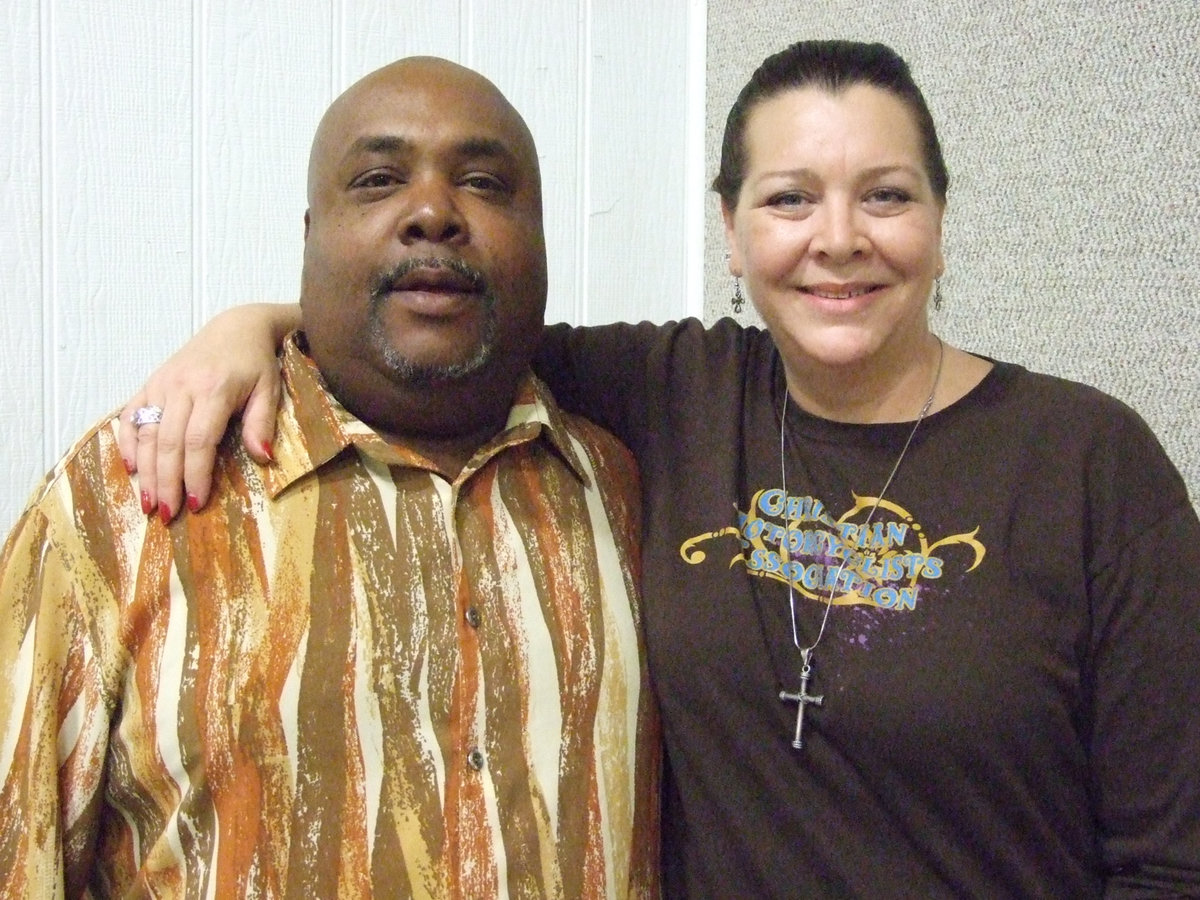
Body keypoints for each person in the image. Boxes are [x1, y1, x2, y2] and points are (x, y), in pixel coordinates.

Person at [118, 40, 1200, 896]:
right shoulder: (670, 391)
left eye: (885, 195)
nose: (837, 238)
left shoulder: (1090, 462)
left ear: (939, 220)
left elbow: (1170, 858)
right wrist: (253, 326)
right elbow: (440, 326)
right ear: (729, 231)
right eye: (788, 199)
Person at [0, 57, 661, 898]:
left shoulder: (628, 491)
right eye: (380, 179)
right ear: (310, 233)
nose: (432, 213)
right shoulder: (124, 502)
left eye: (486, 183)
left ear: (540, 234)